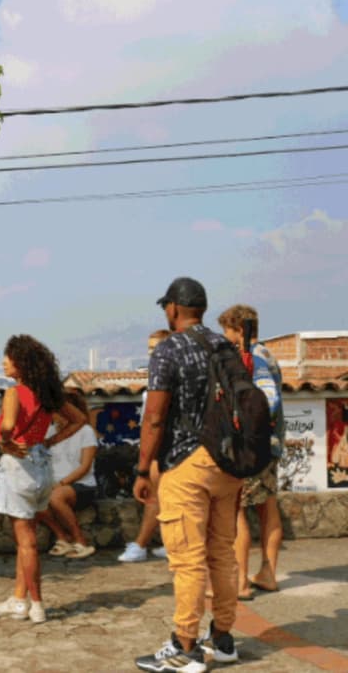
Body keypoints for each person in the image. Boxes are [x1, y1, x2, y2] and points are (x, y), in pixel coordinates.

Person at [134, 277, 242, 672]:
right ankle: (223, 639)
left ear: (174, 309)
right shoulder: (224, 346)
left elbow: (155, 416)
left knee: (188, 560)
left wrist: (143, 469)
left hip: (187, 462)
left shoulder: (169, 349)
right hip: (228, 463)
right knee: (222, 553)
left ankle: (186, 647)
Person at [0, 335, 86, 624]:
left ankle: (37, 605)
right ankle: (19, 599)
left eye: (8, 357)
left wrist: (5, 441)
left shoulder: (14, 393)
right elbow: (79, 419)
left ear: (21, 362)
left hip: (18, 466)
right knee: (25, 538)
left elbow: (7, 425)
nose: (4, 362)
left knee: (26, 541)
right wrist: (50, 441)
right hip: (42, 464)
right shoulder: (48, 394)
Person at [218, 304, 285, 600]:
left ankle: (241, 582)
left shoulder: (254, 357)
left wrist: (244, 426)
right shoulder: (268, 355)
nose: (225, 337)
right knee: (268, 508)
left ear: (238, 329)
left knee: (238, 511)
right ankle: (267, 573)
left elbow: (267, 399)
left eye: (227, 331)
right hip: (271, 444)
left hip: (253, 446)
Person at [118, 329, 173, 562]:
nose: (152, 353)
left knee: (154, 499)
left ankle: (140, 545)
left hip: (163, 451)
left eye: (156, 348)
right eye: (150, 349)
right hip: (165, 451)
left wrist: (148, 459)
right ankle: (171, 544)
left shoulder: (162, 383)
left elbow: (154, 422)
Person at [39, 389, 99, 560]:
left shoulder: (86, 432)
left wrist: (62, 483)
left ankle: (81, 541)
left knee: (56, 497)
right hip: (55, 484)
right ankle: (62, 538)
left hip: (82, 485)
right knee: (32, 498)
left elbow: (85, 466)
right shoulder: (50, 432)